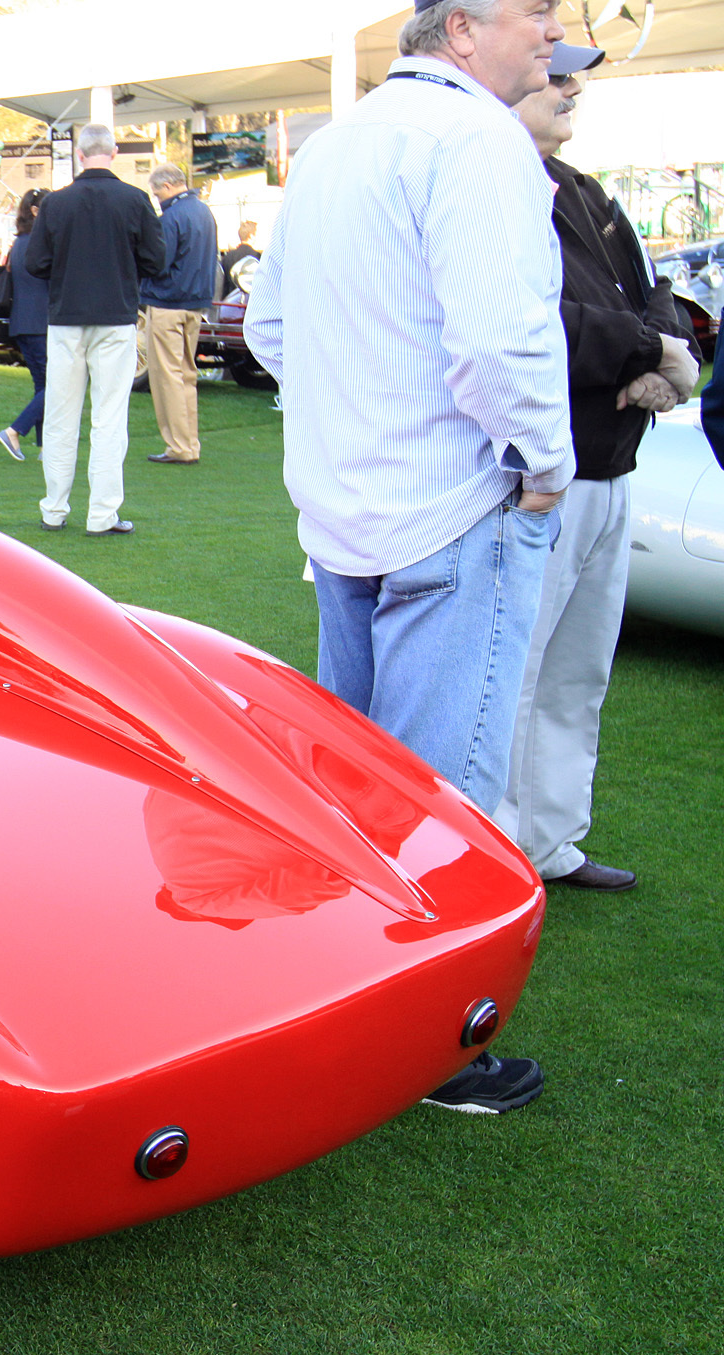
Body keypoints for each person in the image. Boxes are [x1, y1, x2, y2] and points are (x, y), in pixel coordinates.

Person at [244, 0, 575, 1116]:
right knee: (445, 801)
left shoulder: (338, 143)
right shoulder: (475, 141)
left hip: (346, 509)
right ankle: (434, 1048)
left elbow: (268, 330)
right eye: (536, 13)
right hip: (447, 506)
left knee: (359, 788)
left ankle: (352, 1005)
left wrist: (347, 420)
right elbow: (499, 338)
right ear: (463, 29)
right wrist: (539, 463)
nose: (552, 33)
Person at [496, 48, 700, 892]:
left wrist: (661, 352)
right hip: (536, 475)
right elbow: (535, 316)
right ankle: (500, 854)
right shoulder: (493, 183)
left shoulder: (583, 189)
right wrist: (651, 351)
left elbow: (653, 292)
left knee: (579, 670)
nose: (573, 86)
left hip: (612, 468)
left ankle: (550, 842)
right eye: (556, 71)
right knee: (517, 674)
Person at [25, 124, 166, 535]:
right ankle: (102, 514)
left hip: (66, 318)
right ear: (114, 152)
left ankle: (54, 508)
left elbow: (36, 263)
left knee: (60, 415)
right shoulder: (135, 200)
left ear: (81, 155)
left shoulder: (56, 204)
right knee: (109, 417)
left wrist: (67, 269)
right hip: (116, 316)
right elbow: (156, 260)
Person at [139, 164, 220, 466]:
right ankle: (189, 443)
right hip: (195, 304)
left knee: (167, 378)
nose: (156, 196)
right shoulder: (203, 212)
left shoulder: (171, 218)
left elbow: (159, 262)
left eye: (157, 190)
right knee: (186, 376)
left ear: (169, 185)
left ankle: (178, 446)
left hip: (168, 303)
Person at [0, 188, 52, 462]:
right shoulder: (39, 244)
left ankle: (45, 446)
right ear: (36, 211)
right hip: (40, 322)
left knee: (43, 385)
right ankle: (15, 430)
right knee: (55, 385)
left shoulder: (19, 243)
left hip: (23, 322)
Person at [219, 221, 260, 299]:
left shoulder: (228, 256)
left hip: (231, 300)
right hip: (250, 300)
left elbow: (224, 285)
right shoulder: (256, 256)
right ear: (251, 236)